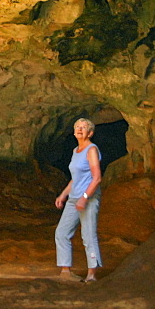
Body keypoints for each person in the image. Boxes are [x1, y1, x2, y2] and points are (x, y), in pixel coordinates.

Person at [54, 118, 103, 282]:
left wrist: (84, 198)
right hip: (74, 198)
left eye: (84, 127)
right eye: (77, 127)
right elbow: (75, 179)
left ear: (90, 133)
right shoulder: (76, 151)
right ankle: (66, 271)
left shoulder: (91, 150)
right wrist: (63, 195)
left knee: (88, 236)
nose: (80, 129)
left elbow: (96, 178)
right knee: (61, 233)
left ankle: (91, 274)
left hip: (87, 199)